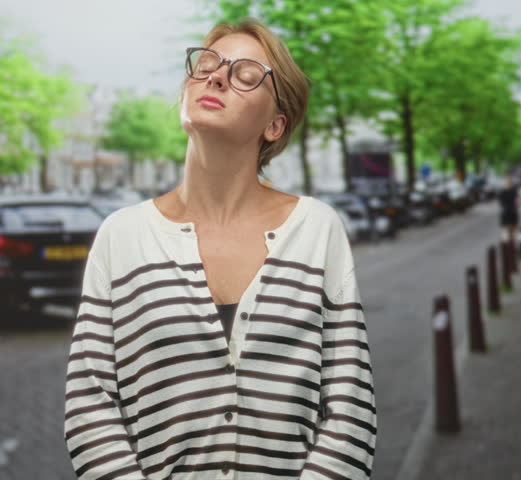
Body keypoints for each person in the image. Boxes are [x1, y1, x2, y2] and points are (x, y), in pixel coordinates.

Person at [64, 19, 376, 480]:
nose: (215, 76)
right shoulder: (121, 235)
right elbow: (90, 404)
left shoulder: (317, 230)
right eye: (207, 64)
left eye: (246, 74)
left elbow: (349, 407)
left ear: (274, 125)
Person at [499, 176, 519, 242]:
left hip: (505, 212)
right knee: (514, 230)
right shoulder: (514, 191)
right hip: (513, 212)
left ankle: (506, 245)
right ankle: (513, 245)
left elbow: (501, 203)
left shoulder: (502, 192)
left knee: (505, 230)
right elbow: (517, 202)